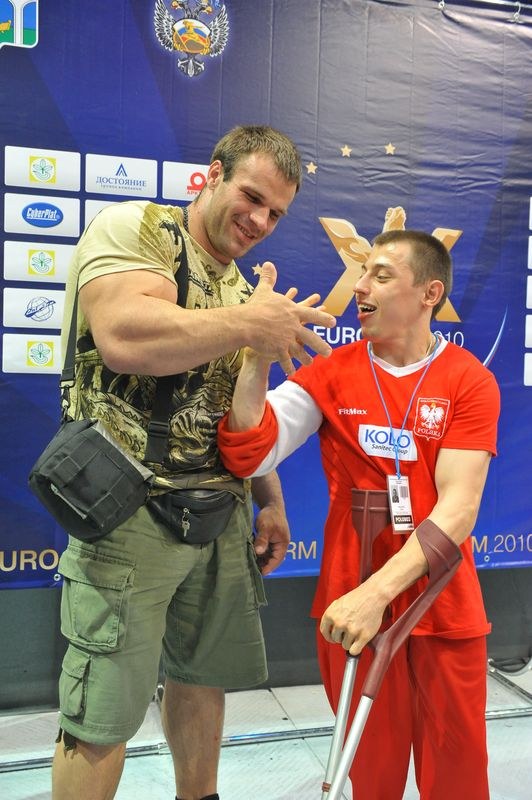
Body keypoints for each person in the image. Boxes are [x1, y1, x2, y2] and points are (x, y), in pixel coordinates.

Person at [51, 124, 336, 800]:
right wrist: (251, 327)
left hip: (219, 515)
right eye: (251, 196)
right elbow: (124, 335)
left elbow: (232, 416)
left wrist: (270, 501)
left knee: (202, 678)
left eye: (276, 213)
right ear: (212, 174)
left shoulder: (243, 290)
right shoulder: (140, 229)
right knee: (101, 714)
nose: (260, 220)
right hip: (127, 516)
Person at [218, 229, 500, 800]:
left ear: (429, 293)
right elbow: (251, 451)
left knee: (459, 774)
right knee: (371, 773)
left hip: (440, 603)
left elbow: (459, 507)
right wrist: (253, 358)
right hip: (349, 607)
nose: (360, 286)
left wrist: (379, 594)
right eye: (362, 272)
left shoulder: (469, 379)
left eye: (380, 274)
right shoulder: (331, 372)